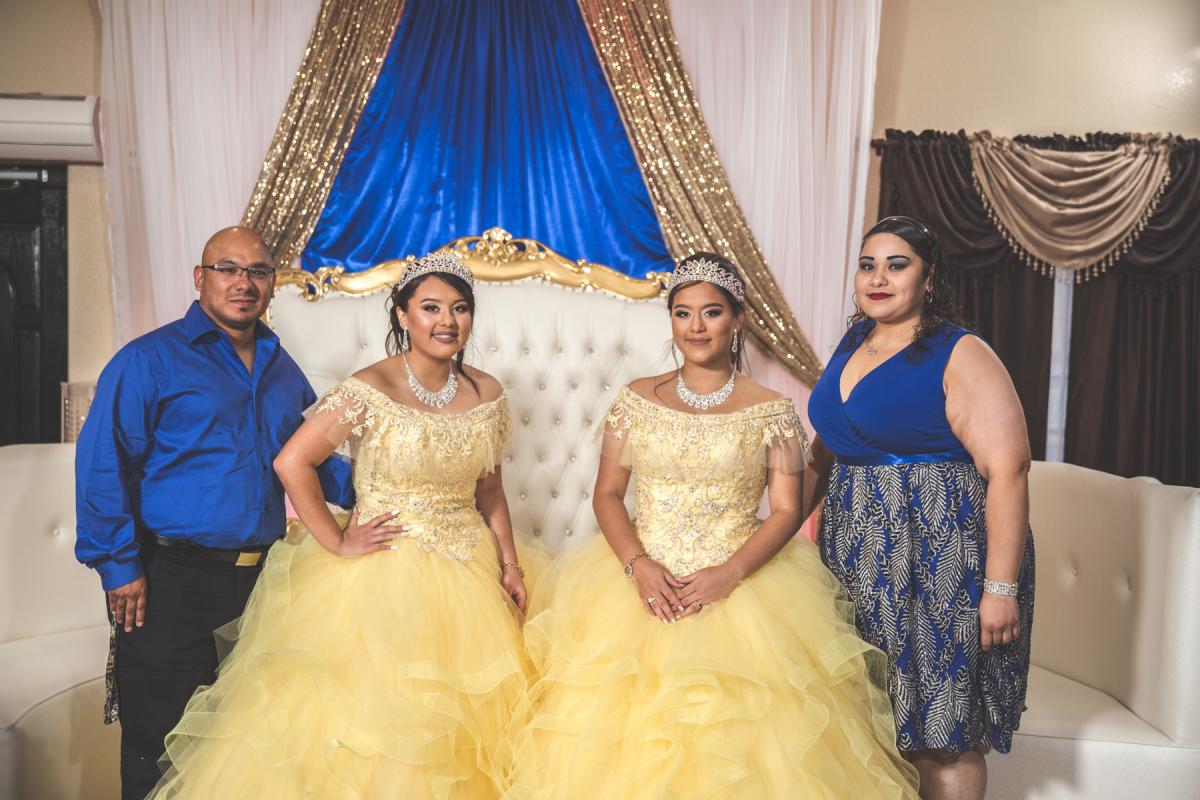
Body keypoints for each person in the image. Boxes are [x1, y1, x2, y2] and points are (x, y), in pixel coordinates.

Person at [505, 253, 918, 798]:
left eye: (712, 312)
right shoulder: (636, 400)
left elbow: (787, 511)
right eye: (683, 313)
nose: (696, 327)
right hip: (639, 582)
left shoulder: (772, 411)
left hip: (743, 586)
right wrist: (638, 565)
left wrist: (730, 573)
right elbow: (606, 495)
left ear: (737, 320)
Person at [149, 252, 535, 798]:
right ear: (402, 315)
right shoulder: (368, 388)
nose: (447, 321)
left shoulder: (487, 392)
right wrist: (335, 539)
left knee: (470, 727)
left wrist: (511, 565)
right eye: (430, 308)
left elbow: (489, 491)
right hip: (384, 571)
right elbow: (292, 462)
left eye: (459, 308)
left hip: (470, 570)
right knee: (379, 726)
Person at [74, 226, 353, 799]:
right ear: (200, 278)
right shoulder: (148, 360)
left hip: (262, 584)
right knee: (160, 745)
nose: (243, 282)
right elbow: (103, 462)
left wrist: (394, 489)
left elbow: (310, 457)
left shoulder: (281, 365)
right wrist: (119, 566)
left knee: (242, 747)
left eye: (258, 271)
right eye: (228, 269)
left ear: (272, 284)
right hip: (168, 581)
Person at [808, 216, 1036, 800]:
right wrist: (786, 528)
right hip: (858, 557)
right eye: (867, 266)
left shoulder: (959, 351)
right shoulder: (854, 343)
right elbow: (829, 446)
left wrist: (1000, 588)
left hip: (939, 555)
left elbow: (1009, 470)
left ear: (928, 278)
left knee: (942, 732)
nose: (878, 278)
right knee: (871, 720)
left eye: (897, 265)